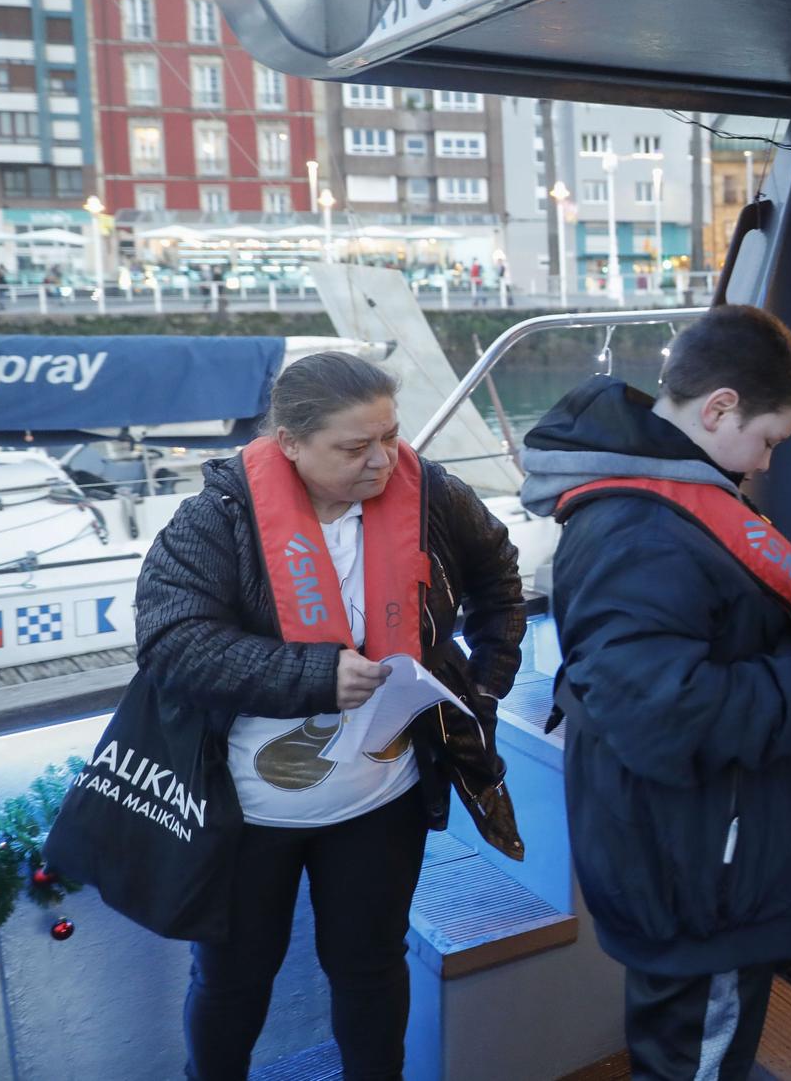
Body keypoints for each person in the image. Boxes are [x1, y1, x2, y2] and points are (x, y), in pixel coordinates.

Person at [134, 352, 525, 1081]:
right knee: (231, 982)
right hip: (247, 815)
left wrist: (484, 690)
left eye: (390, 437)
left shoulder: (431, 494)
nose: (382, 462)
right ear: (289, 442)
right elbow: (167, 641)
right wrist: (311, 674)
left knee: (372, 969)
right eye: (354, 447)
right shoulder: (217, 517)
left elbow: (500, 582)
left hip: (381, 799)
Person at [520, 306, 791, 1081]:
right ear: (718, 408)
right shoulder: (644, 529)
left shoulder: (662, 497)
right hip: (704, 871)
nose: (768, 462)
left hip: (690, 850)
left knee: (687, 1043)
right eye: (768, 438)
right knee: (697, 1054)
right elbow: (662, 712)